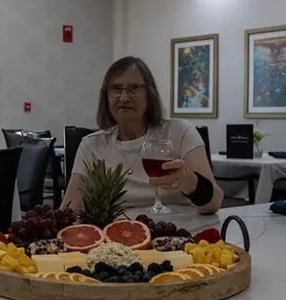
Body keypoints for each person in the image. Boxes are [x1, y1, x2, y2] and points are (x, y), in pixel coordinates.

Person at [62, 56, 223, 215]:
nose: (124, 98)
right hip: (120, 230)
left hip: (184, 229)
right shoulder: (91, 145)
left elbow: (214, 203)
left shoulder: (180, 132)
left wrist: (192, 184)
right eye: (116, 89)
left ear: (149, 94)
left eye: (134, 88)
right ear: (106, 96)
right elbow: (70, 210)